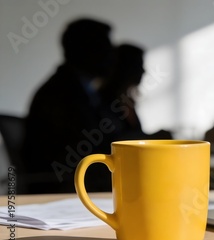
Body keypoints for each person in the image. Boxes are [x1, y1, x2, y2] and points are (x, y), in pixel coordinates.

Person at [22, 18, 115, 194]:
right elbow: (84, 145)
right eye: (105, 46)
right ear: (84, 50)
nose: (111, 54)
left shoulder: (84, 90)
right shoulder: (60, 92)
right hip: (63, 188)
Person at [99, 43, 172, 141]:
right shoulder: (103, 100)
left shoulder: (127, 101)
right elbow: (110, 141)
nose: (143, 71)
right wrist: (151, 138)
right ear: (126, 67)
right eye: (139, 65)